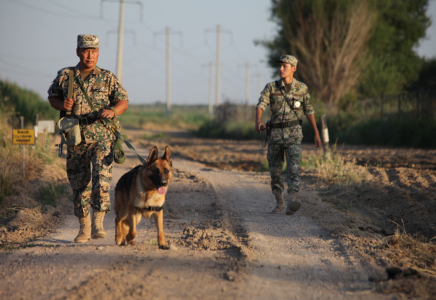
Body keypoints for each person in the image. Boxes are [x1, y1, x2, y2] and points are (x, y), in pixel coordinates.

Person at [48, 34, 129, 243]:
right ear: (78, 52)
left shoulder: (107, 77)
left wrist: (112, 111)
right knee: (79, 182)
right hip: (76, 138)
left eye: (94, 51)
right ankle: (83, 228)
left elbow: (123, 101)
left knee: (101, 178)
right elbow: (52, 97)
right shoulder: (66, 75)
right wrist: (61, 105)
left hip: (102, 136)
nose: (90, 55)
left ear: (98, 53)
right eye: (85, 50)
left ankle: (98, 224)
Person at [255, 55, 321, 215]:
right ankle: (280, 203)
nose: (281, 69)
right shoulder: (271, 87)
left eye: (285, 66)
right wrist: (258, 120)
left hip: (294, 135)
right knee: (275, 172)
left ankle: (292, 199)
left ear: (294, 68)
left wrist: (316, 132)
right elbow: (261, 104)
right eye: (280, 66)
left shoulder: (302, 89)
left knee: (294, 168)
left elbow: (309, 111)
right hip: (275, 135)